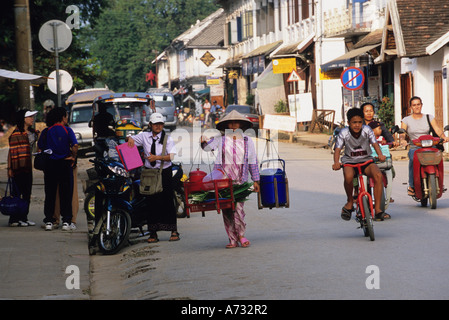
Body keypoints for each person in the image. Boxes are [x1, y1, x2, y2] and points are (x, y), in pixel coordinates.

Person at [201, 110, 260, 248]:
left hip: (241, 181)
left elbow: (252, 161)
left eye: (236, 123)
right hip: (223, 181)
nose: (233, 126)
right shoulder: (220, 139)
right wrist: (202, 142)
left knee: (238, 209)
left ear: (241, 125)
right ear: (226, 126)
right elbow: (207, 147)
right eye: (230, 123)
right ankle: (232, 238)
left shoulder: (247, 141)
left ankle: (241, 235)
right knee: (227, 209)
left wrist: (256, 180)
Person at [127, 112, 179, 243]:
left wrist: (157, 158)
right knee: (151, 202)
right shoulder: (144, 136)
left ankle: (173, 230)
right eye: (155, 124)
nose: (158, 126)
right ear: (150, 125)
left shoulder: (168, 139)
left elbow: (171, 156)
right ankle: (153, 233)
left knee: (168, 200)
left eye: (160, 124)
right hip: (149, 173)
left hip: (164, 172)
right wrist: (130, 141)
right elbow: (131, 139)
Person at [332, 108, 387, 221]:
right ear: (348, 123)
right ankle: (350, 202)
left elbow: (375, 143)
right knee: (348, 177)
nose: (357, 125)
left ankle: (377, 209)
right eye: (354, 122)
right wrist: (336, 162)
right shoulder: (344, 133)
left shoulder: (367, 130)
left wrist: (380, 155)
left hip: (366, 161)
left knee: (378, 175)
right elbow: (337, 149)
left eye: (359, 122)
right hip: (349, 162)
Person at [38, 107, 78, 231]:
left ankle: (49, 220)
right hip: (65, 165)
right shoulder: (67, 130)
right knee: (66, 193)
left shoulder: (46, 131)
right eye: (66, 116)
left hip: (50, 165)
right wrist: (73, 156)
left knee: (50, 193)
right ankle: (66, 221)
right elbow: (75, 145)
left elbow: (40, 149)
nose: (66, 118)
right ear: (62, 117)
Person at [400, 96, 449, 196]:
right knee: (413, 160)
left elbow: (437, 130)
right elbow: (402, 133)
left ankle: (439, 182)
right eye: (414, 105)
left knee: (438, 157)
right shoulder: (406, 120)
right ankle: (411, 186)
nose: (417, 107)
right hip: (415, 146)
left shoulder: (429, 117)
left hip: (429, 145)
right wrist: (402, 140)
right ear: (411, 107)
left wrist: (444, 137)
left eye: (418, 104)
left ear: (421, 105)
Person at [7, 109, 39, 227]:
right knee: (16, 194)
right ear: (23, 119)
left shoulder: (32, 133)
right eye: (30, 117)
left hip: (27, 167)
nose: (32, 119)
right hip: (17, 168)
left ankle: (24, 217)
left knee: (27, 193)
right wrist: (9, 169)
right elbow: (11, 153)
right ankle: (14, 219)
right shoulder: (15, 134)